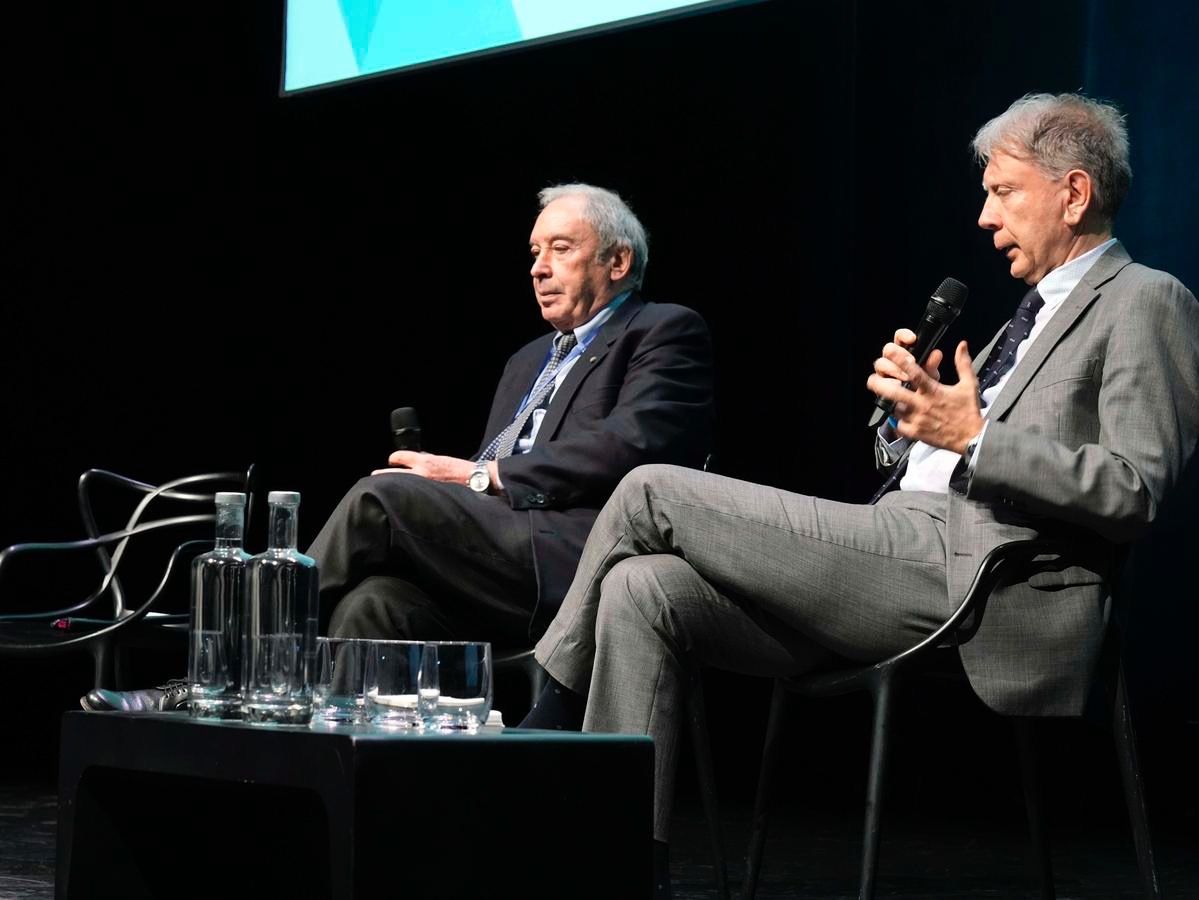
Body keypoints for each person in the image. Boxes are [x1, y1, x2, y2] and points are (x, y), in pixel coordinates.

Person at [521, 94, 1199, 895]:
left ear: (1073, 193)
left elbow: (1131, 488)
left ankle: (546, 705)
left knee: (648, 491)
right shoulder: (1026, 316)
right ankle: (624, 864)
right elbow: (932, 457)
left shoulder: (1145, 298)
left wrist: (973, 437)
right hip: (895, 552)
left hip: (975, 574)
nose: (985, 216)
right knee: (642, 586)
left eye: (1002, 192)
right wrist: (910, 421)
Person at [308, 183, 715, 646]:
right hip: (500, 556)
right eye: (536, 252)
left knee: (380, 498)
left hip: (577, 554)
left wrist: (478, 476)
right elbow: (490, 469)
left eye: (561, 249)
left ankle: (261, 635)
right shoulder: (527, 360)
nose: (538, 268)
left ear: (618, 262)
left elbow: (632, 444)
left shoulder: (662, 330)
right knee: (371, 604)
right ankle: (296, 682)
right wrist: (454, 484)